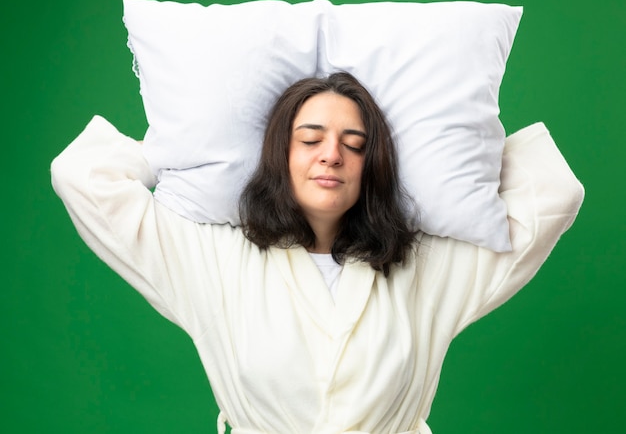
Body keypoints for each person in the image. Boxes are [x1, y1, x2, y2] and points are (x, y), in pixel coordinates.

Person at [51, 72, 584, 434]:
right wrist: (181, 149)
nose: (332, 154)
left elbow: (554, 193)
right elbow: (82, 177)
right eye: (310, 139)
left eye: (355, 145)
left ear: (371, 166)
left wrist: (459, 157)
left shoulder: (424, 264)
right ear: (278, 154)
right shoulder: (212, 255)